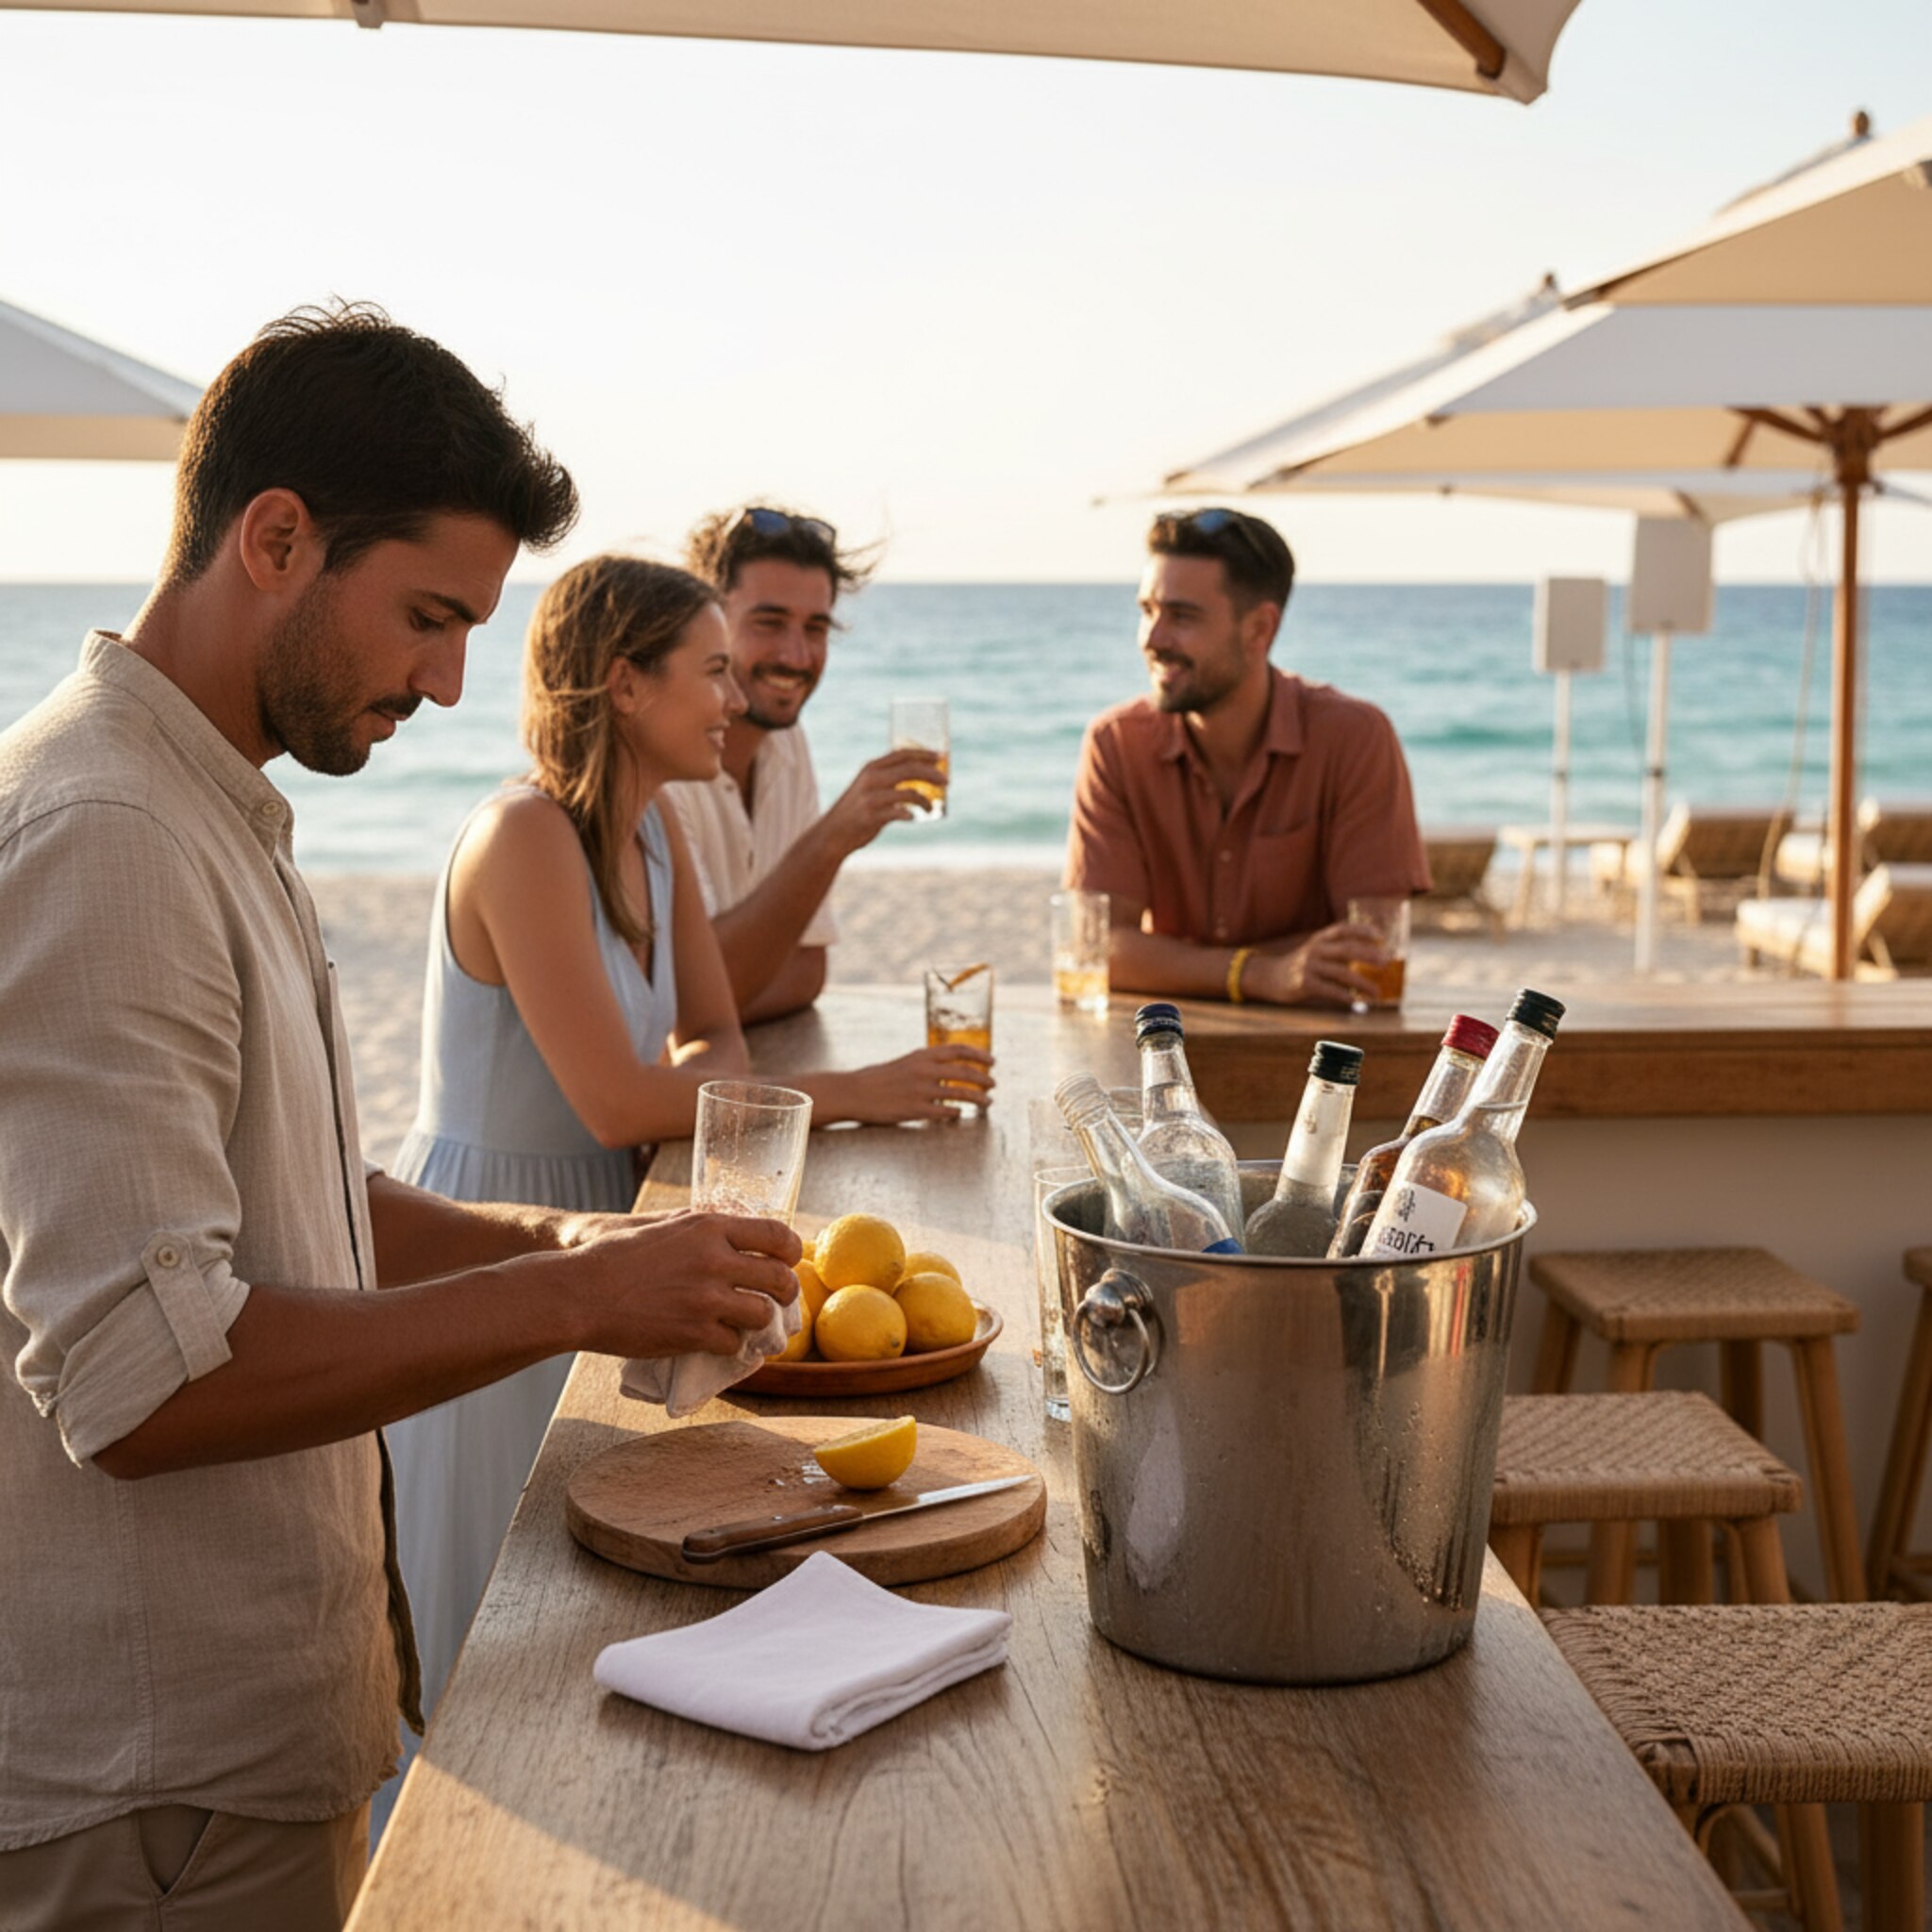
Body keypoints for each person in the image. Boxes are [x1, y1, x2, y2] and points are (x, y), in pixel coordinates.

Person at [0, 306, 802, 1932]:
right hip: (156, 1794)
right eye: (429, 619)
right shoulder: (108, 830)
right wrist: (573, 1300)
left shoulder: (205, 796)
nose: (448, 683)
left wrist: (571, 1238)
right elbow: (145, 1379)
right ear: (276, 539)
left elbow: (301, 1198)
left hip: (240, 1751)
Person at [386, 553, 994, 1774]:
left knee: (592, 1592)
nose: (732, 698)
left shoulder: (655, 827)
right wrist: (850, 1094)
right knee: (497, 1613)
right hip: (491, 1244)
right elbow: (616, 1099)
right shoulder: (522, 836)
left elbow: (711, 1033)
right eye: (710, 670)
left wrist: (725, 1114)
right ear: (625, 684)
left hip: (617, 1228)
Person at [1065, 507, 1430, 1008]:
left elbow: (1373, 954)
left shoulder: (1355, 737)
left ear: (1260, 629)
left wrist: (1170, 961)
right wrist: (1262, 973)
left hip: (1318, 1045)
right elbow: (1095, 948)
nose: (1152, 638)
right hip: (1168, 1040)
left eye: (1181, 616)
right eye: (1147, 610)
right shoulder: (1116, 743)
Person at [665, 505, 946, 1023]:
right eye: (769, 623)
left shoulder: (786, 744)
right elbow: (686, 1007)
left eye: (816, 628)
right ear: (705, 625)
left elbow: (808, 971)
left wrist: (724, 993)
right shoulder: (660, 768)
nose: (797, 656)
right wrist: (831, 839)